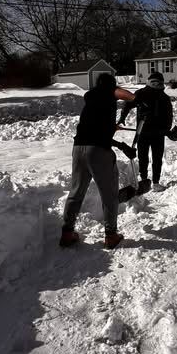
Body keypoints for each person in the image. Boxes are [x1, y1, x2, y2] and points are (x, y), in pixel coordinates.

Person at [60, 73, 136, 250]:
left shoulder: (91, 100)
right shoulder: (109, 93)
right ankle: (111, 236)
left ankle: (67, 233)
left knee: (76, 192)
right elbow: (129, 96)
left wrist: (116, 136)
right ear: (111, 85)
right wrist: (136, 98)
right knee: (109, 194)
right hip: (98, 151)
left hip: (78, 148)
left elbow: (96, 129)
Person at [118, 70, 174, 191]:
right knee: (149, 158)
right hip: (146, 132)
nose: (157, 85)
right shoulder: (143, 94)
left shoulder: (161, 97)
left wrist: (167, 129)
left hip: (153, 132)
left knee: (151, 158)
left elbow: (169, 116)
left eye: (158, 83)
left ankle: (149, 181)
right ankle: (150, 182)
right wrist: (122, 117)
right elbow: (128, 104)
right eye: (155, 83)